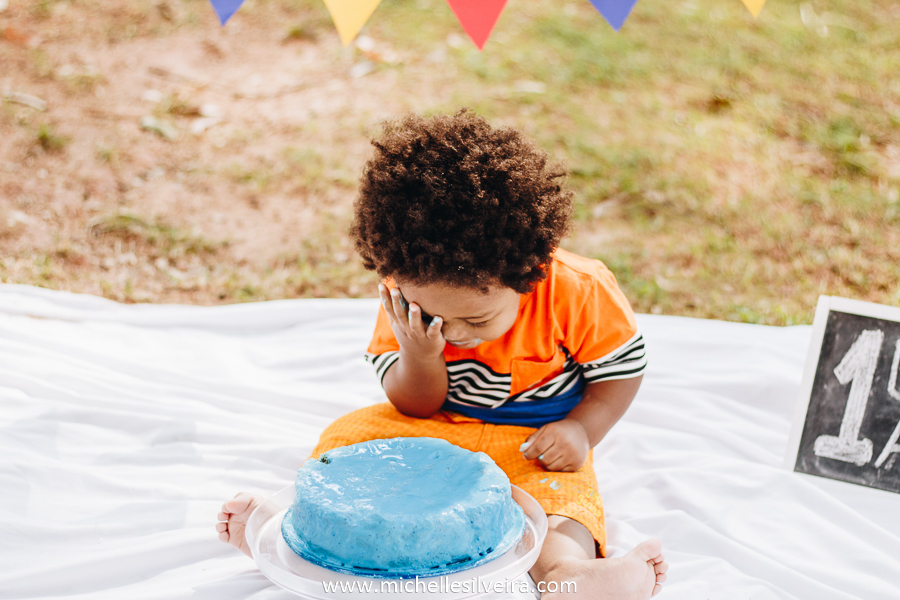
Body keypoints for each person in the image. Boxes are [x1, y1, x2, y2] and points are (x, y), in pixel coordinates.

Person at [217, 110, 667, 599]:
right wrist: (420, 355)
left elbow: (621, 374)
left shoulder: (580, 290)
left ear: (531, 273)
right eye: (432, 317)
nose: (454, 334)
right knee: (350, 438)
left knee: (562, 496)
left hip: (535, 441)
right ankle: (285, 536)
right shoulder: (400, 296)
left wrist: (583, 428)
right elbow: (414, 406)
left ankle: (568, 574)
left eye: (476, 321)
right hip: (432, 425)